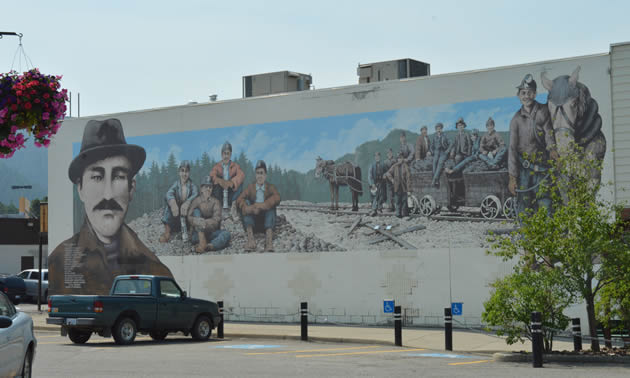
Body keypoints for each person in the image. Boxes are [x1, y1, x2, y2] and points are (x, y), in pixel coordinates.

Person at [48, 119, 173, 295]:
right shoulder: (59, 261)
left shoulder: (154, 269)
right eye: (97, 177)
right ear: (80, 189)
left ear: (131, 189)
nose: (108, 195)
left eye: (119, 176)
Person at [508, 74, 558, 217]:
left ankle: (546, 239)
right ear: (518, 96)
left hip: (543, 169)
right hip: (524, 171)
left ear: (535, 94)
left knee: (546, 206)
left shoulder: (543, 111)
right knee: (523, 208)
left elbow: (549, 133)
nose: (526, 96)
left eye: (529, 93)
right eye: (523, 93)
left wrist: (553, 150)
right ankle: (526, 239)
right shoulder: (515, 120)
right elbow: (512, 150)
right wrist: (512, 177)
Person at [236, 160, 281, 252]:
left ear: (265, 175)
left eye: (262, 173)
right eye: (257, 173)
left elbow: (277, 197)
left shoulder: (270, 187)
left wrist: (263, 205)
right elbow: (239, 199)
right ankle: (251, 239)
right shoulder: (250, 187)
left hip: (266, 221)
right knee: (246, 202)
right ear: (255, 175)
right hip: (253, 222)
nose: (259, 176)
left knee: (271, 207)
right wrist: (248, 208)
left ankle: (269, 241)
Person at [187, 176, 231, 253]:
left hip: (212, 233)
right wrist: (195, 220)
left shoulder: (216, 202)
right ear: (201, 189)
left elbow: (217, 220)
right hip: (197, 235)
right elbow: (189, 216)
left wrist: (204, 222)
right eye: (206, 187)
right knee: (196, 211)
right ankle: (202, 240)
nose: (208, 189)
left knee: (226, 234)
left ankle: (208, 246)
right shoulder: (196, 201)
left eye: (210, 187)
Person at [159, 160, 198, 243]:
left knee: (195, 210)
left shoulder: (192, 185)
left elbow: (196, 194)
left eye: (186, 171)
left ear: (189, 173)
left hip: (187, 217)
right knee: (169, 207)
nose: (184, 174)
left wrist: (188, 202)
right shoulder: (176, 184)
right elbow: (169, 193)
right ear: (179, 172)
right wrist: (173, 203)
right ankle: (167, 233)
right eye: (182, 171)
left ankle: (192, 232)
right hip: (176, 215)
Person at [210, 141, 245, 213]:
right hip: (220, 193)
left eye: (228, 154)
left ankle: (233, 203)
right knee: (213, 184)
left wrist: (232, 183)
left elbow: (241, 174)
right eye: (224, 153)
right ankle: (218, 204)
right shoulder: (217, 166)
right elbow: (212, 175)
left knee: (240, 184)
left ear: (230, 155)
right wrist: (220, 181)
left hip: (230, 193)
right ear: (221, 154)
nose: (226, 156)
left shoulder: (234, 166)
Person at [384, 152, 411, 218]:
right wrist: (392, 180)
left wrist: (409, 189)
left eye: (400, 158)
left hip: (404, 186)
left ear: (402, 159)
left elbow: (408, 178)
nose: (399, 160)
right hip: (397, 186)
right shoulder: (394, 166)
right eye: (398, 158)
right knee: (398, 200)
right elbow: (388, 173)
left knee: (404, 200)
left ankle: (404, 214)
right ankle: (398, 214)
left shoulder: (405, 166)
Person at [430, 122, 450, 187]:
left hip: (443, 152)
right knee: (434, 163)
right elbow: (431, 146)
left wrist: (447, 151)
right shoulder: (434, 137)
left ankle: (434, 180)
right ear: (436, 130)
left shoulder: (445, 135)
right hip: (436, 152)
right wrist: (432, 152)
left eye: (440, 129)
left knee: (440, 163)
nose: (438, 130)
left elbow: (451, 143)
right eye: (437, 129)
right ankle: (437, 181)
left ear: (442, 129)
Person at [368, 151, 387, 216]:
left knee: (381, 196)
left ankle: (379, 209)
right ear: (374, 157)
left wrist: (385, 175)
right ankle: (373, 209)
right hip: (374, 183)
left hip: (381, 182)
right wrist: (372, 183)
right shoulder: (372, 165)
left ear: (380, 157)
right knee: (374, 196)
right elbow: (370, 175)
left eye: (378, 156)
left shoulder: (383, 165)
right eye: (376, 156)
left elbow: (386, 172)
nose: (377, 157)